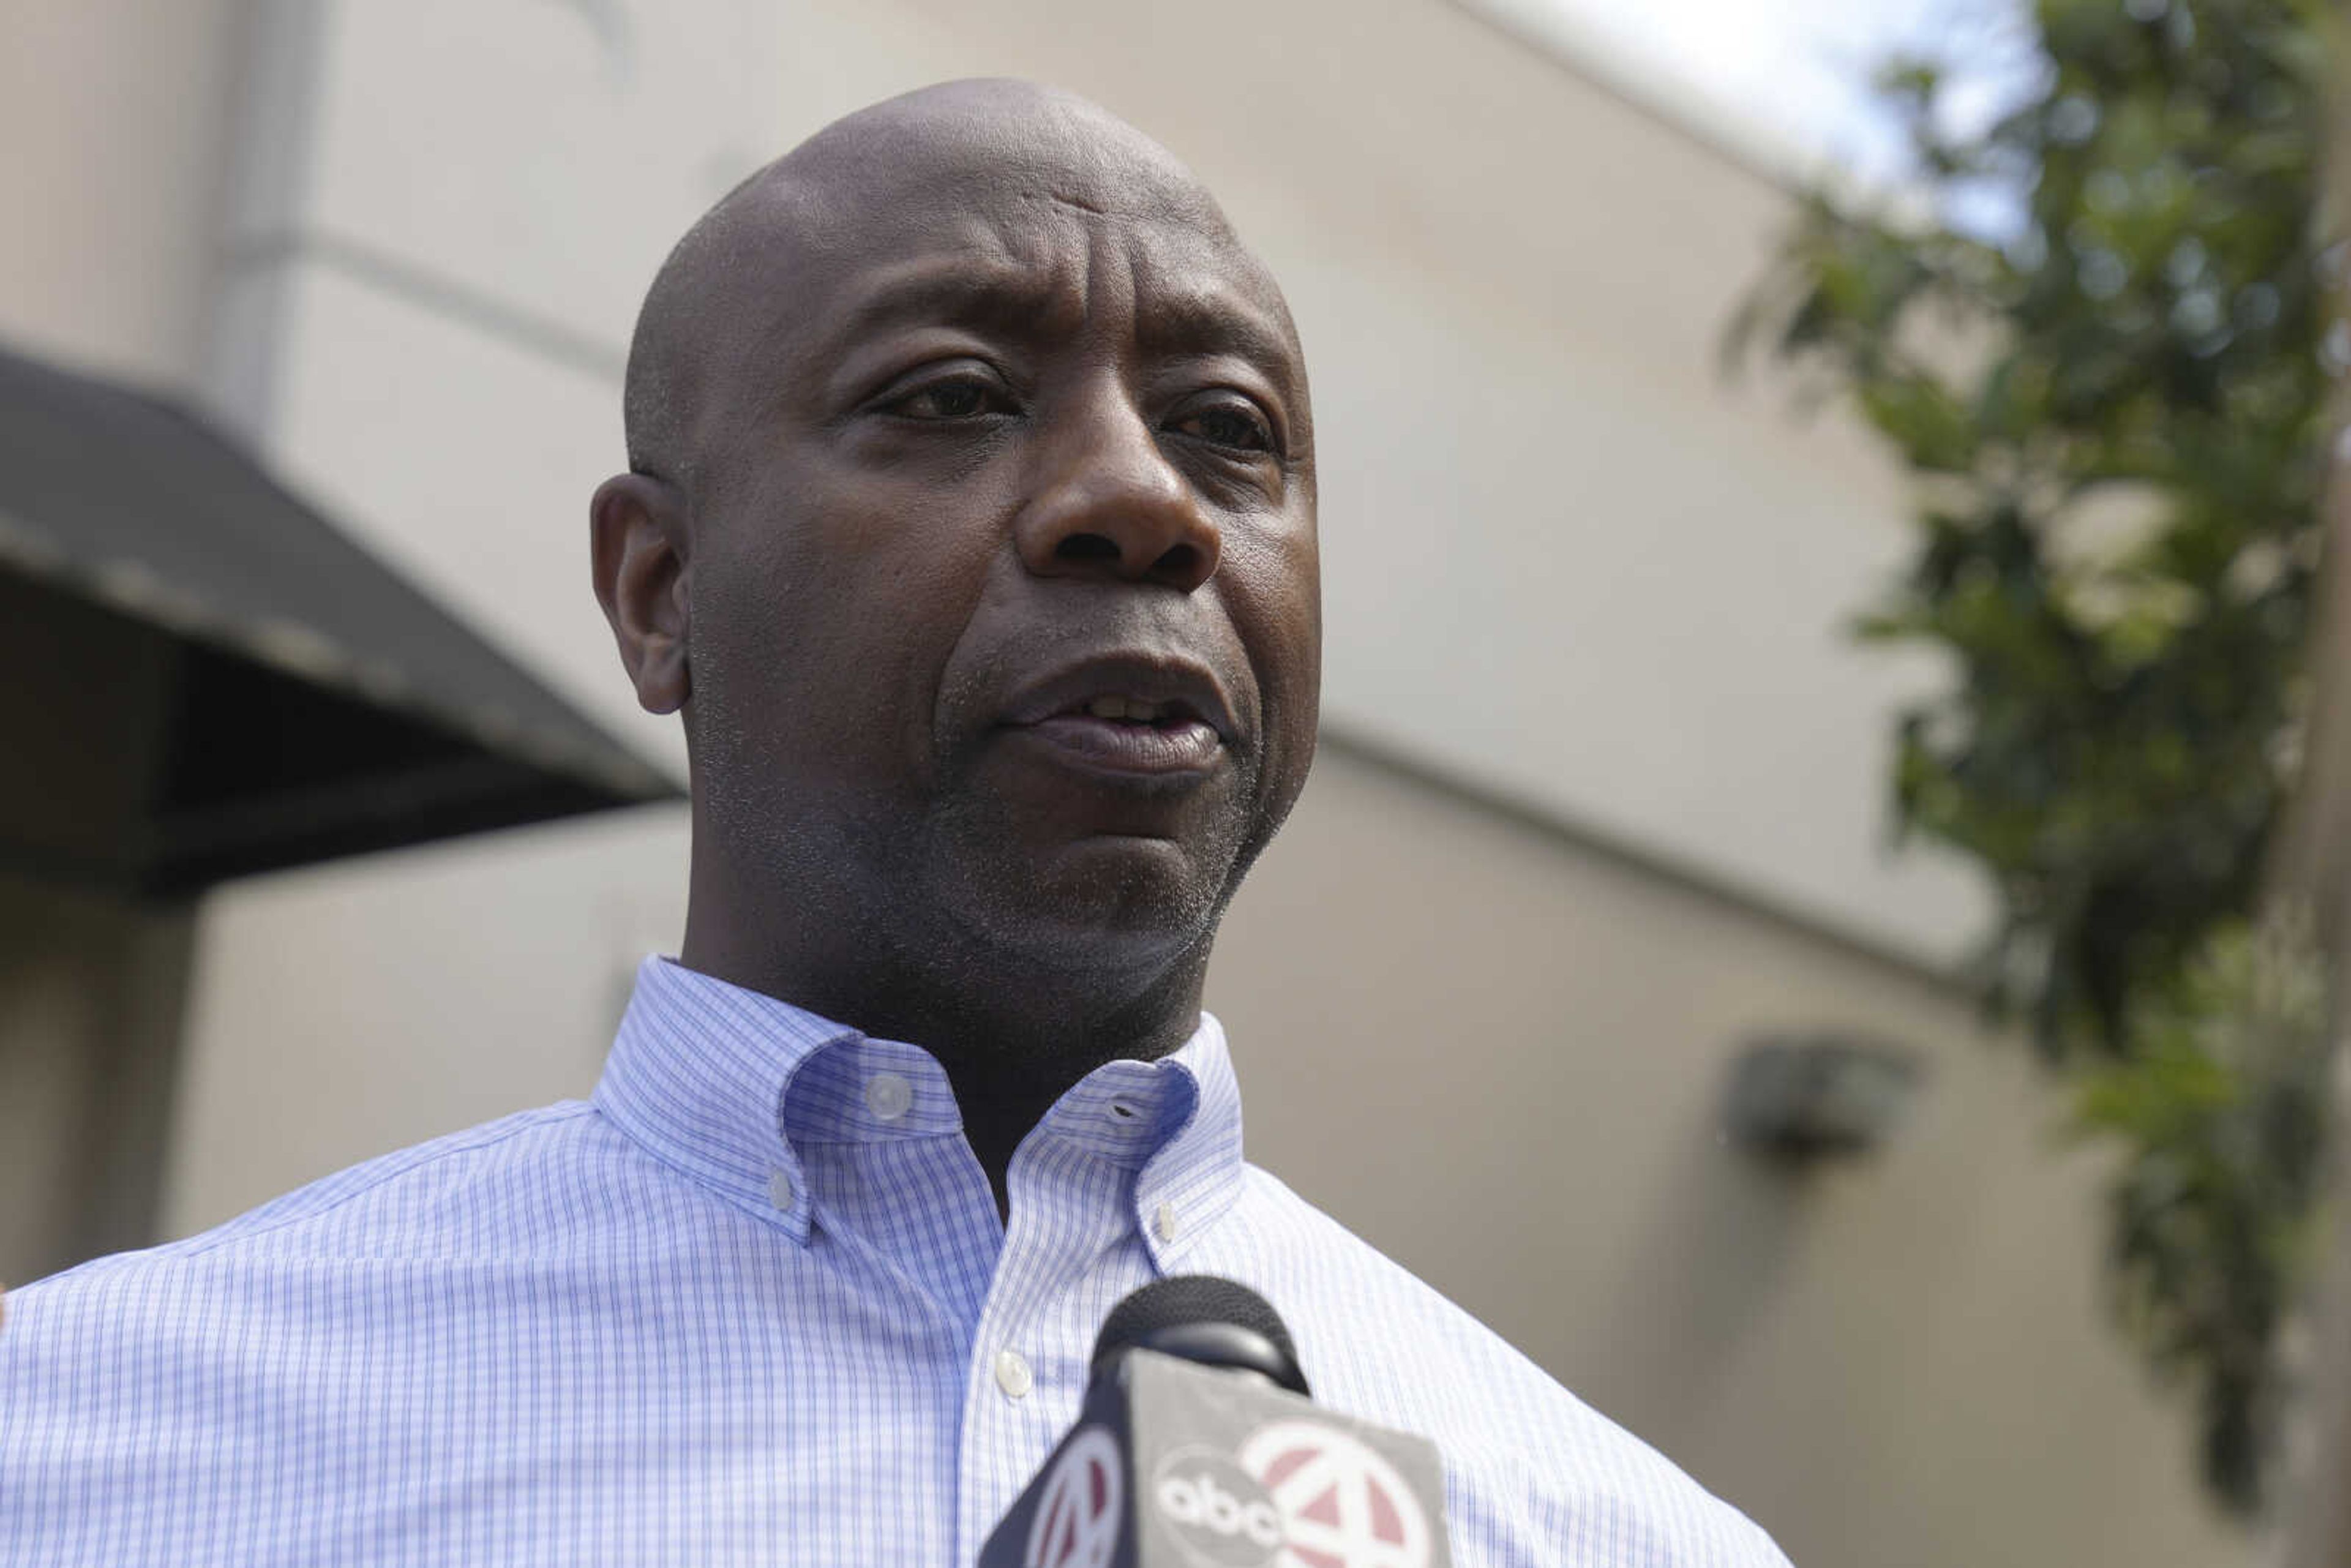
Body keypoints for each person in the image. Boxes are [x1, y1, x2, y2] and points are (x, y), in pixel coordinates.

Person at [0, 80, 1788, 1566]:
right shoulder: (84, 1449)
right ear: (659, 585)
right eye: (950, 398)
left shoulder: (1622, 1536)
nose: (1144, 502)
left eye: (1228, 432)